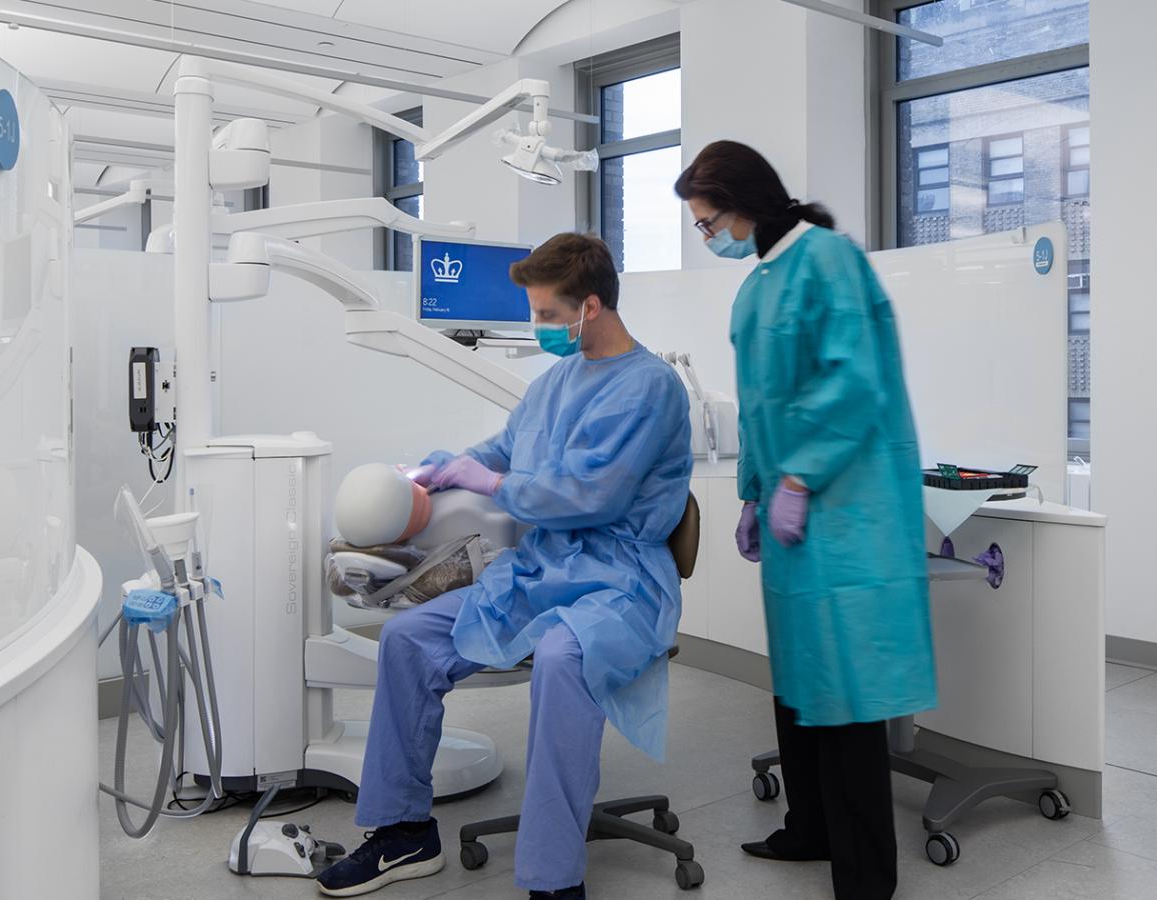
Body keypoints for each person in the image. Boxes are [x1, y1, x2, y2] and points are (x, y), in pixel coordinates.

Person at [317, 233, 693, 900]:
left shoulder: (651, 388)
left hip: (622, 581)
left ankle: (554, 878)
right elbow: (502, 449)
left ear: (591, 306)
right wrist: (438, 470)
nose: (538, 325)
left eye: (547, 314)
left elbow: (591, 496)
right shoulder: (556, 383)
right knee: (407, 638)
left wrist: (490, 485)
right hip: (543, 569)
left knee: (561, 658)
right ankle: (404, 831)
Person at [674, 141, 937, 900]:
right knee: (799, 681)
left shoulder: (829, 260)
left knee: (846, 693)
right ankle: (810, 828)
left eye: (707, 222)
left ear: (742, 203)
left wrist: (798, 476)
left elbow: (855, 385)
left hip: (848, 509)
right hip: (794, 516)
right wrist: (754, 491)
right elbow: (762, 406)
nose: (707, 237)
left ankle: (866, 876)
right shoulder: (757, 286)